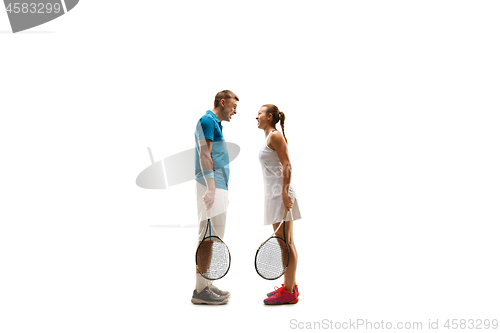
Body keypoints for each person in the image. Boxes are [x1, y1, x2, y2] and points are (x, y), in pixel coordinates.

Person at [191, 90, 239, 305]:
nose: (235, 111)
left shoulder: (216, 124)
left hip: (218, 186)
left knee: (214, 237)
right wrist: (211, 188)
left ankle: (206, 284)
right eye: (233, 106)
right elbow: (204, 154)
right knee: (207, 237)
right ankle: (200, 290)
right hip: (210, 185)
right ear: (222, 102)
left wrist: (221, 190)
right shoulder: (207, 120)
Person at [256, 104, 302, 305]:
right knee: (285, 243)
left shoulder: (275, 136)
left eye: (259, 114)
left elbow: (287, 164)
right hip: (275, 195)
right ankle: (289, 286)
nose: (255, 117)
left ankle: (289, 292)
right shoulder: (270, 137)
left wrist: (284, 192)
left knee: (286, 243)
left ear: (269, 116)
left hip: (280, 195)